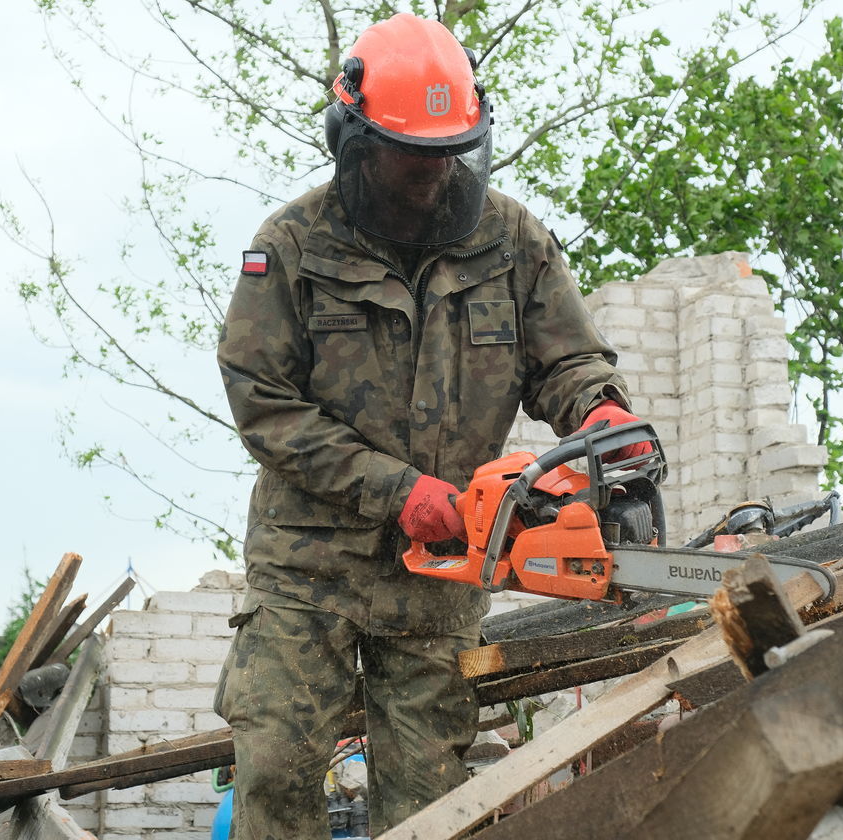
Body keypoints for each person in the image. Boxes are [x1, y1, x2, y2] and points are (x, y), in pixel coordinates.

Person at [214, 12, 649, 839]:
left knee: (433, 806)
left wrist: (601, 411)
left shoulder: (513, 239)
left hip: (444, 573)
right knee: (276, 776)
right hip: (307, 569)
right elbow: (262, 400)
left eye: (446, 156)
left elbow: (567, 359)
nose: (429, 175)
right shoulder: (294, 246)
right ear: (355, 137)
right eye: (410, 157)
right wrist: (397, 490)